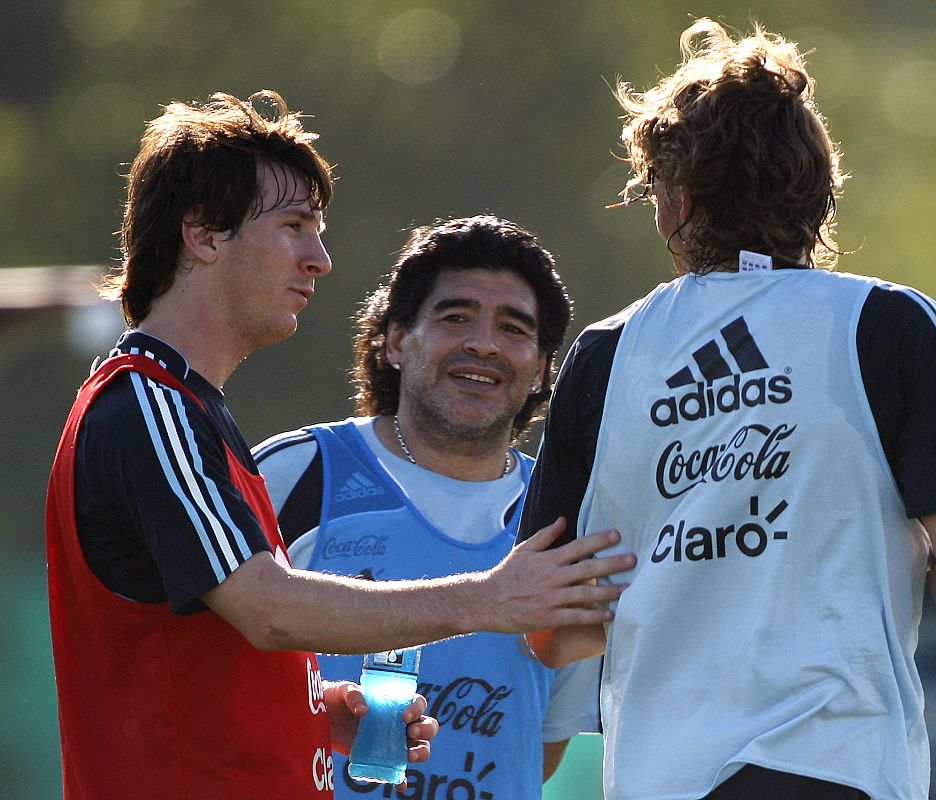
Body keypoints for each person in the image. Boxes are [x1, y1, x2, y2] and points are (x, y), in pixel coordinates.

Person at [44, 90, 633, 800]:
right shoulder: (148, 402)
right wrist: (489, 597)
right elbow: (268, 608)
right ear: (202, 234)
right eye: (294, 226)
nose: (320, 259)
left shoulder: (193, 410)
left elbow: (209, 652)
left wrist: (313, 709)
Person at [518, 19, 936, 800]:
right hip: (838, 762)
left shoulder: (608, 354)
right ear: (817, 188)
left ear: (677, 198)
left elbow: (550, 626)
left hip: (656, 775)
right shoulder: (888, 324)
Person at [254, 214, 603, 799]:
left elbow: (539, 748)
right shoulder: (294, 476)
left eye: (514, 329)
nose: (484, 343)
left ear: (543, 370)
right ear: (393, 341)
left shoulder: (568, 521)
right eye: (455, 317)